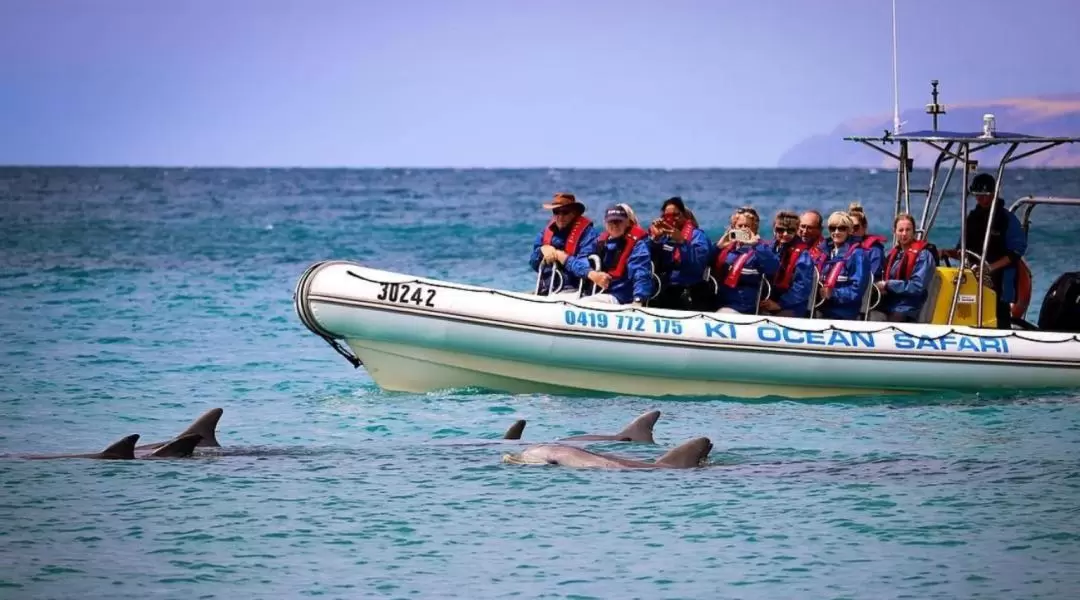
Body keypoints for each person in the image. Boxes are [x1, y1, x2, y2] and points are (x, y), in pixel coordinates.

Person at [940, 173, 1027, 329]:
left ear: (993, 194)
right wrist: (946, 252)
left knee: (1000, 317)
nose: (980, 199)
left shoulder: (1007, 219)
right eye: (977, 195)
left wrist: (989, 268)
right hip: (973, 280)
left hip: (999, 283)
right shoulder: (972, 218)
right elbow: (962, 251)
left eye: (984, 195)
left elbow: (1015, 252)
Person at [647, 196, 712, 310]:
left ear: (684, 215)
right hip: (665, 287)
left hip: (689, 289)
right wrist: (655, 239)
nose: (672, 219)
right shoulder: (664, 237)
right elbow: (651, 263)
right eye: (667, 216)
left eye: (676, 215)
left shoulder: (698, 236)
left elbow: (697, 267)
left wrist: (682, 242)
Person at [711, 207, 779, 314]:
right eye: (740, 226)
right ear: (733, 227)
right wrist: (718, 247)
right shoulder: (727, 247)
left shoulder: (761, 249)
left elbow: (773, 267)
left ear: (754, 228)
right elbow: (703, 263)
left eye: (747, 226)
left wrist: (755, 244)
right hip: (720, 299)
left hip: (743, 305)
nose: (743, 229)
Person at [529, 192, 599, 296]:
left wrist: (561, 256)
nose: (560, 216)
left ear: (574, 213)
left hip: (573, 290)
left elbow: (584, 268)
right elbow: (533, 263)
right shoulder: (546, 232)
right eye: (556, 212)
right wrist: (541, 251)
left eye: (565, 212)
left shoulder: (588, 234)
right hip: (547, 288)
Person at [584, 205, 654, 305]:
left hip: (622, 296)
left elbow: (641, 272)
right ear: (605, 224)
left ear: (627, 223)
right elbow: (580, 260)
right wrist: (590, 273)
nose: (615, 225)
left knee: (586, 303)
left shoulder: (637, 245)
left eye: (619, 221)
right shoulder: (600, 242)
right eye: (611, 222)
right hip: (599, 292)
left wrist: (639, 299)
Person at [874, 213, 936, 322]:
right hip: (889, 304)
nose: (904, 234)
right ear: (895, 232)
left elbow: (917, 286)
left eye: (908, 230)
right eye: (901, 230)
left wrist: (889, 285)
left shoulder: (923, 255)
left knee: (894, 319)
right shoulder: (893, 254)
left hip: (909, 307)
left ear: (913, 232)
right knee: (870, 315)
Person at [761, 210, 819, 318]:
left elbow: (802, 288)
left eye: (790, 231)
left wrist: (780, 304)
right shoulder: (768, 249)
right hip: (768, 301)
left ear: (797, 230)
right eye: (780, 230)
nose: (785, 234)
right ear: (774, 229)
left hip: (791, 306)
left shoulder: (803, 256)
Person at [816, 211, 870, 320]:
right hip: (821, 307)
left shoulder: (857, 255)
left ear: (849, 230)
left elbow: (857, 290)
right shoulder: (825, 253)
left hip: (844, 312)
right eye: (832, 228)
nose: (836, 232)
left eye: (841, 228)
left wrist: (833, 293)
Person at [847, 201, 887, 281]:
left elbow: (873, 275)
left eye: (855, 227)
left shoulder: (875, 250)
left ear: (864, 227)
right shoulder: (843, 248)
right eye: (848, 227)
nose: (852, 231)